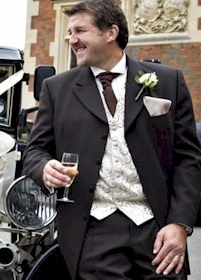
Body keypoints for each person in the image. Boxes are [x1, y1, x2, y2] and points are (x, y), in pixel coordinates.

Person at [22, 0, 201, 279]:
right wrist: (44, 168)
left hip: (158, 228)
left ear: (111, 33)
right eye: (69, 33)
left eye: (80, 31)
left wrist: (180, 224)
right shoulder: (56, 89)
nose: (72, 40)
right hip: (92, 231)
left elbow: (188, 159)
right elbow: (35, 151)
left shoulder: (167, 81)